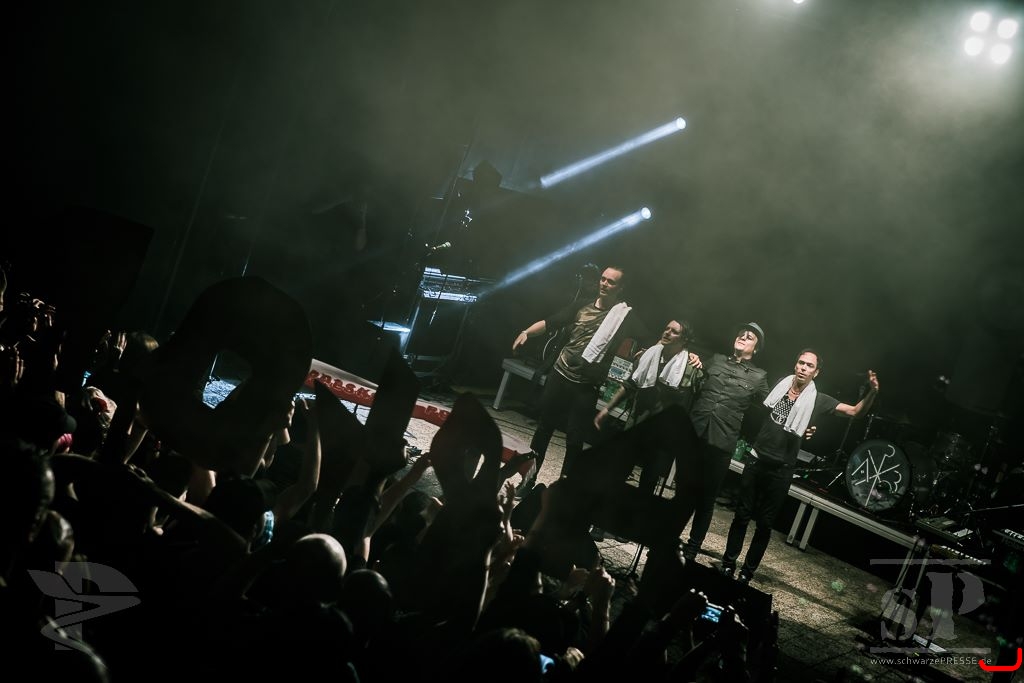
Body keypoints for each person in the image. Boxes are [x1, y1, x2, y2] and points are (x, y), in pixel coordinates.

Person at [721, 350, 879, 583]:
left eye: (809, 365)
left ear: (816, 372)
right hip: (756, 459)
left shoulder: (818, 400)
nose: (804, 368)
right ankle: (727, 564)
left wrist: (872, 392)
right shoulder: (780, 386)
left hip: (781, 469)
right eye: (801, 363)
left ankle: (747, 572)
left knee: (764, 525)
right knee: (741, 516)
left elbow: (855, 412)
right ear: (795, 365)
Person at [511, 266, 642, 493]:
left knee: (574, 439)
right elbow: (552, 321)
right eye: (603, 279)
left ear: (620, 288)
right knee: (544, 428)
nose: (604, 284)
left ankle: (563, 492)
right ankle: (527, 481)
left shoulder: (623, 317)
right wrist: (526, 332)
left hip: (586, 386)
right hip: (560, 375)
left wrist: (687, 356)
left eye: (611, 282)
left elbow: (651, 340)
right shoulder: (582, 305)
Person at [678, 323, 770, 563]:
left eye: (749, 337)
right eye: (741, 334)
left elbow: (773, 408)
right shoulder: (716, 360)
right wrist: (694, 361)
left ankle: (692, 549)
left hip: (721, 442)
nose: (743, 337)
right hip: (694, 433)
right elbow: (694, 380)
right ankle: (669, 536)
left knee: (706, 499)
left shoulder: (759, 377)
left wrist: (803, 421)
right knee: (683, 491)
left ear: (756, 348)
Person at [594, 318, 703, 496]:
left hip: (662, 432)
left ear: (684, 340)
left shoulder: (690, 368)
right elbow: (629, 385)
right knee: (620, 468)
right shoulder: (648, 355)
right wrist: (607, 409)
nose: (667, 332)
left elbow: (689, 404)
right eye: (667, 328)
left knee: (649, 479)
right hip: (637, 420)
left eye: (674, 331)